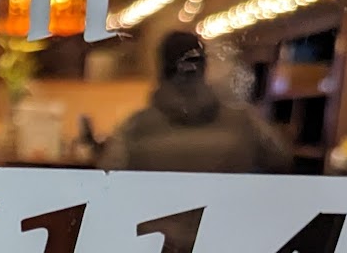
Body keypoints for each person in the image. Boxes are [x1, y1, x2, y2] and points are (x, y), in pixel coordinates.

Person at [101, 29, 290, 171]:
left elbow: (108, 174)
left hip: (159, 214)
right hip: (226, 212)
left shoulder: (135, 129)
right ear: (203, 66)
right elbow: (282, 160)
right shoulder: (245, 122)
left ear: (162, 68)